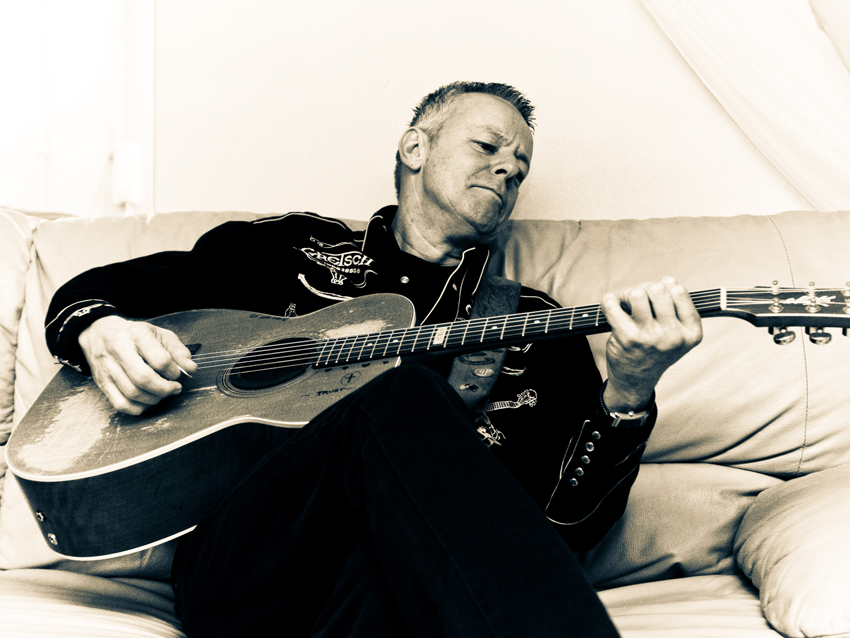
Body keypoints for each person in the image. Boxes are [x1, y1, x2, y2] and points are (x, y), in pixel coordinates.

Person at [44, 82, 703, 637]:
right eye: (488, 146)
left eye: (520, 168)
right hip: (249, 571)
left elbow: (569, 523)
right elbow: (97, 292)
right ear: (415, 147)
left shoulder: (535, 323)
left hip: (401, 588)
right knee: (404, 396)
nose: (508, 170)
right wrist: (101, 332)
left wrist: (629, 393)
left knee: (398, 571)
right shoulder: (291, 252)